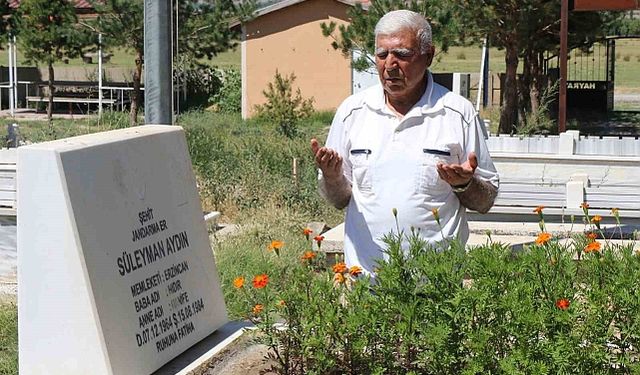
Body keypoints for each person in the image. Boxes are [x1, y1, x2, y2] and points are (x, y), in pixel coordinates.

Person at [310, 9, 499, 276]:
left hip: (437, 281)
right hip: (367, 280)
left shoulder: (457, 113)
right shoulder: (353, 112)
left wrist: (464, 184)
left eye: (402, 54)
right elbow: (340, 200)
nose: (389, 65)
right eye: (382, 54)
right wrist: (332, 177)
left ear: (428, 55)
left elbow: (485, 201)